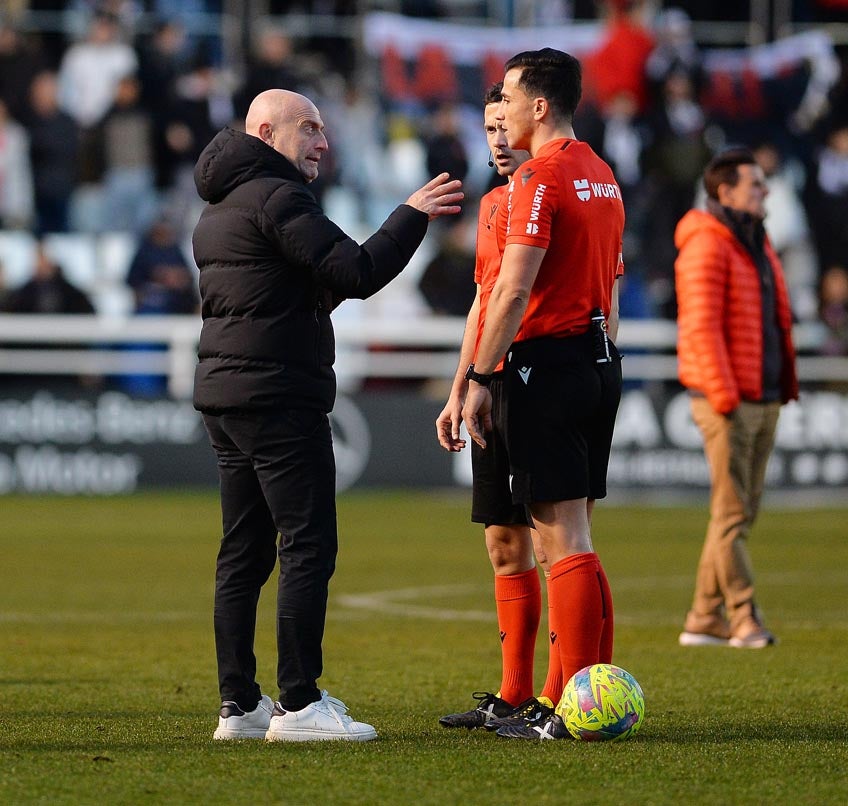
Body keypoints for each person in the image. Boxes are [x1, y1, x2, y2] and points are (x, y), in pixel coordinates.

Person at [191, 88, 462, 741]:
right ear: (264, 130)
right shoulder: (280, 197)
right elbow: (359, 270)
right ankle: (299, 704)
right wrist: (410, 215)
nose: (322, 141)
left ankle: (239, 707)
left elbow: (293, 295)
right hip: (281, 395)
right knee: (307, 544)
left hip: (227, 393)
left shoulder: (221, 208)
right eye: (308, 127)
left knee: (243, 553)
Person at [461, 48, 625, 741]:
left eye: (511, 96)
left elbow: (513, 288)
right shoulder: (603, 174)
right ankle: (569, 697)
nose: (502, 111)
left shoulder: (540, 177)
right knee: (571, 539)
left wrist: (478, 378)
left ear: (537, 105)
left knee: (560, 540)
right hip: (594, 359)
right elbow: (609, 290)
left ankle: (571, 712)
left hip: (544, 365)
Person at [435, 83, 556, 730]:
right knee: (503, 542)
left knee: (554, 545)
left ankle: (559, 695)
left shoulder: (555, 190)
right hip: (492, 379)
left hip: (544, 374)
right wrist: (461, 384)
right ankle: (512, 696)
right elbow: (484, 301)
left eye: (503, 123)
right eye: (487, 129)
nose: (499, 139)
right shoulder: (490, 206)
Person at [672, 147, 799, 651]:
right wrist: (727, 398)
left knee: (736, 514)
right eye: (756, 184)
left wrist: (778, 387)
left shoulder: (752, 239)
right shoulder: (708, 243)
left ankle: (703, 617)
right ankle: (743, 617)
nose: (765, 191)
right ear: (725, 192)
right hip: (730, 399)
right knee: (733, 515)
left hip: (760, 395)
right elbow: (700, 327)